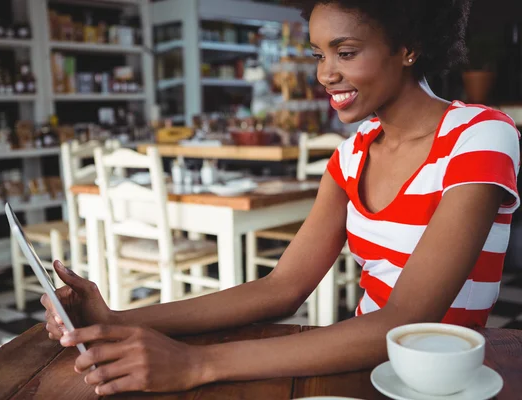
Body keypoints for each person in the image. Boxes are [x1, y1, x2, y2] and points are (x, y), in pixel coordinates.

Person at [42, 0, 520, 395]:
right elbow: (281, 288)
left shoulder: (480, 136)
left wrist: (197, 364)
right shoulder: (349, 158)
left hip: (446, 380)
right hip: (359, 369)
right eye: (318, 55)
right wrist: (118, 318)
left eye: (346, 52)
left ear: (409, 48)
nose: (326, 75)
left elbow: (405, 319)